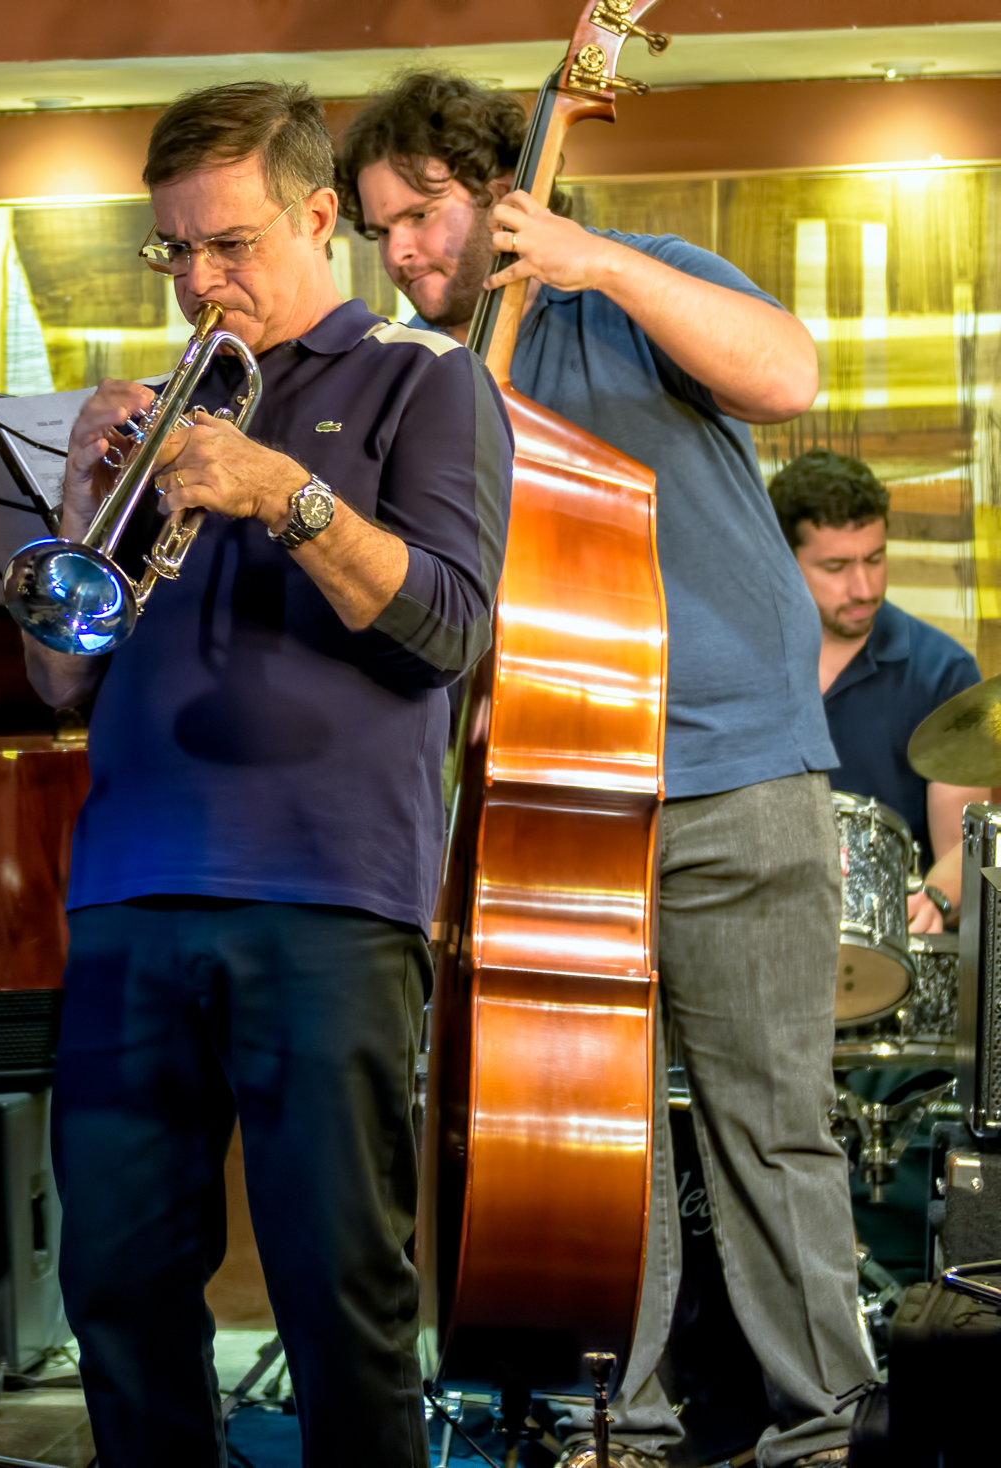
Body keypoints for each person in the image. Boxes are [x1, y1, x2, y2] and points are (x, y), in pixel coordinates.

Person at [342, 70, 872, 1468]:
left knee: (775, 1127)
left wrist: (592, 261)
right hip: (543, 797)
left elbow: (788, 374)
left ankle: (825, 1426)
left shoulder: (620, 289)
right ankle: (614, 1428)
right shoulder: (414, 377)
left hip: (738, 769)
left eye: (426, 212)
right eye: (379, 228)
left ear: (502, 189)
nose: (404, 252)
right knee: (586, 1145)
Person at [24, 81, 512, 1466]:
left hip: (324, 897)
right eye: (173, 251)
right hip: (127, 893)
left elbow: (447, 632)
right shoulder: (161, 416)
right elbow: (65, 678)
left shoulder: (428, 380)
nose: (197, 280)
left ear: (318, 217)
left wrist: (282, 493)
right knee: (114, 1289)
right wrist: (79, 504)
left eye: (227, 244)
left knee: (339, 1295)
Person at [772, 448, 987, 928]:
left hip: (887, 947)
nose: (864, 586)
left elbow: (963, 851)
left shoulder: (944, 672)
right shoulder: (742, 664)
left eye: (875, 558)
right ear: (783, 561)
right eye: (836, 567)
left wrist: (937, 899)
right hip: (766, 933)